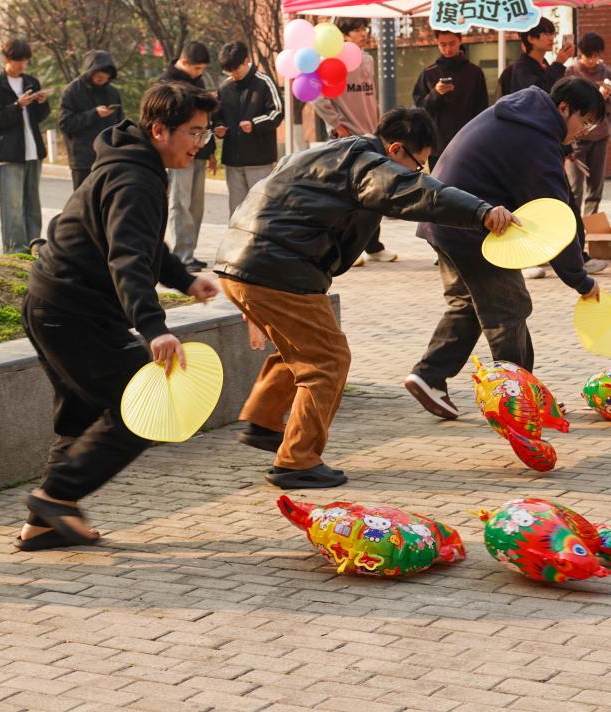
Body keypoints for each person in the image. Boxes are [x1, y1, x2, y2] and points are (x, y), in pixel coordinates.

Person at [214, 108, 517, 488]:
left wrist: (247, 275)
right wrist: (481, 212)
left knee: (301, 349)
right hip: (278, 268)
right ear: (395, 149)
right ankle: (297, 462)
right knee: (328, 359)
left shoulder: (321, 153)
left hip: (240, 261)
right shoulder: (365, 163)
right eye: (416, 164)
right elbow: (418, 193)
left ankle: (263, 422)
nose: (417, 173)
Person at [16, 82, 220, 550]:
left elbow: (139, 242)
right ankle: (55, 496)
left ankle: (45, 523)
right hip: (73, 311)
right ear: (160, 130)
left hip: (55, 303)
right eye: (193, 132)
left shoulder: (134, 163)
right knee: (145, 408)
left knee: (82, 415)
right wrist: (154, 328)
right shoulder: (135, 178)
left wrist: (183, 279)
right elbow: (127, 256)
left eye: (205, 133)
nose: (200, 144)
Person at [403, 79, 605, 421]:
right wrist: (580, 279)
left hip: (444, 218)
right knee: (508, 309)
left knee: (469, 304)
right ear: (564, 108)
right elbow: (555, 218)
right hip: (472, 227)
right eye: (583, 122)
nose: (582, 133)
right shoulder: (536, 139)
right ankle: (520, 398)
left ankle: (429, 376)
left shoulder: (522, 114)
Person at [312, 18, 395, 266]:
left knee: (374, 192)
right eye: (358, 29)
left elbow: (371, 95)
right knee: (346, 194)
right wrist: (337, 125)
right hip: (346, 137)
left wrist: (379, 125)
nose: (363, 33)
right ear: (344, 34)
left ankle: (372, 246)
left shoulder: (367, 59)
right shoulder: (329, 62)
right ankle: (342, 247)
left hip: (371, 133)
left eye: (364, 28)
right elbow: (317, 97)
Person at [0, 38, 53, 255]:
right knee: (12, 204)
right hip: (9, 153)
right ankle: (15, 249)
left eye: (25, 60)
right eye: (18, 60)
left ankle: (34, 244)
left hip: (33, 150)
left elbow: (40, 116)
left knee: (33, 201)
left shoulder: (31, 81)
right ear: (6, 58)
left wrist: (41, 102)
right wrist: (17, 105)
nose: (22, 65)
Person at [158, 42, 215, 271]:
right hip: (178, 151)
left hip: (199, 148)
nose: (199, 73)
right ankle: (181, 255)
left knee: (196, 205)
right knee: (180, 202)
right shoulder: (166, 83)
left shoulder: (198, 81)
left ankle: (190, 251)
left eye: (202, 69)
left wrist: (211, 151)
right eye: (197, 68)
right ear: (184, 62)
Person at [215, 41, 283, 216]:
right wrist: (219, 127)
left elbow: (277, 112)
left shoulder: (264, 82)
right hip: (232, 160)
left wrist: (254, 124)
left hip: (259, 160)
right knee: (236, 211)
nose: (233, 75)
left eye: (235, 70)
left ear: (246, 61)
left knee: (260, 209)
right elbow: (217, 115)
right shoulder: (225, 87)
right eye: (228, 71)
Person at [411, 31, 488, 170]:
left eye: (452, 43)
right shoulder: (429, 73)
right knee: (438, 183)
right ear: (437, 43)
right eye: (443, 44)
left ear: (460, 40)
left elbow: (482, 110)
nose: (448, 49)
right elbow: (421, 110)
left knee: (466, 182)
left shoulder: (475, 73)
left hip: (468, 143)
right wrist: (435, 93)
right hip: (438, 146)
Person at [564, 32, 611, 216]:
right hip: (575, 138)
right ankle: (575, 224)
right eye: (589, 56)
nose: (593, 60)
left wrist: (606, 98)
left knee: (596, 185)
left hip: (600, 135)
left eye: (596, 56)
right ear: (581, 53)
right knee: (574, 186)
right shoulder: (571, 72)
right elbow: (566, 105)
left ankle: (591, 222)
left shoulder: (607, 73)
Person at [58, 50, 123, 189]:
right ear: (89, 71)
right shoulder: (72, 91)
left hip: (109, 156)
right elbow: (65, 123)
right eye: (98, 73)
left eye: (106, 74)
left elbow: (120, 123)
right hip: (83, 160)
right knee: (83, 200)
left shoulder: (113, 93)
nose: (102, 77)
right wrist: (94, 114)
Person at [499, 17, 575, 97]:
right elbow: (539, 93)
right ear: (531, 38)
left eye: (552, 34)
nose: (551, 38)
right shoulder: (522, 67)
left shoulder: (544, 64)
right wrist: (558, 63)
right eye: (546, 34)